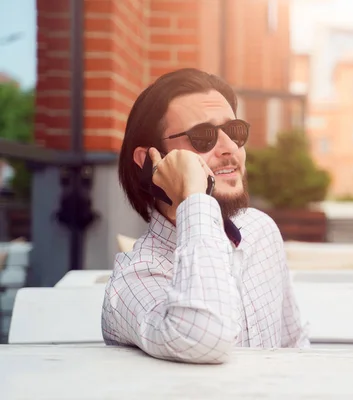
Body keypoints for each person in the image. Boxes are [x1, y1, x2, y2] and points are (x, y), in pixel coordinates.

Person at [101, 68, 310, 364]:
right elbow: (205, 339)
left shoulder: (260, 230)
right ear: (150, 161)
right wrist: (195, 198)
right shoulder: (134, 281)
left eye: (234, 131)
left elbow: (293, 343)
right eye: (202, 136)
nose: (229, 149)